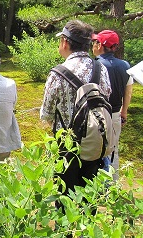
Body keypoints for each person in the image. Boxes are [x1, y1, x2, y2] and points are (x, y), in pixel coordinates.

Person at [40, 20, 112, 197]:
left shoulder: (58, 73)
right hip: (96, 142)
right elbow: (107, 97)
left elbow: (46, 113)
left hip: (67, 147)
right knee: (89, 199)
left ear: (65, 42)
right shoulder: (100, 68)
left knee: (65, 199)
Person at [91, 30, 133, 180]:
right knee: (113, 150)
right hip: (115, 114)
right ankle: (112, 186)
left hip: (96, 116)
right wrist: (124, 112)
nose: (93, 45)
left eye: (95, 42)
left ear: (100, 45)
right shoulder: (125, 66)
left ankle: (95, 186)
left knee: (95, 150)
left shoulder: (95, 65)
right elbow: (128, 92)